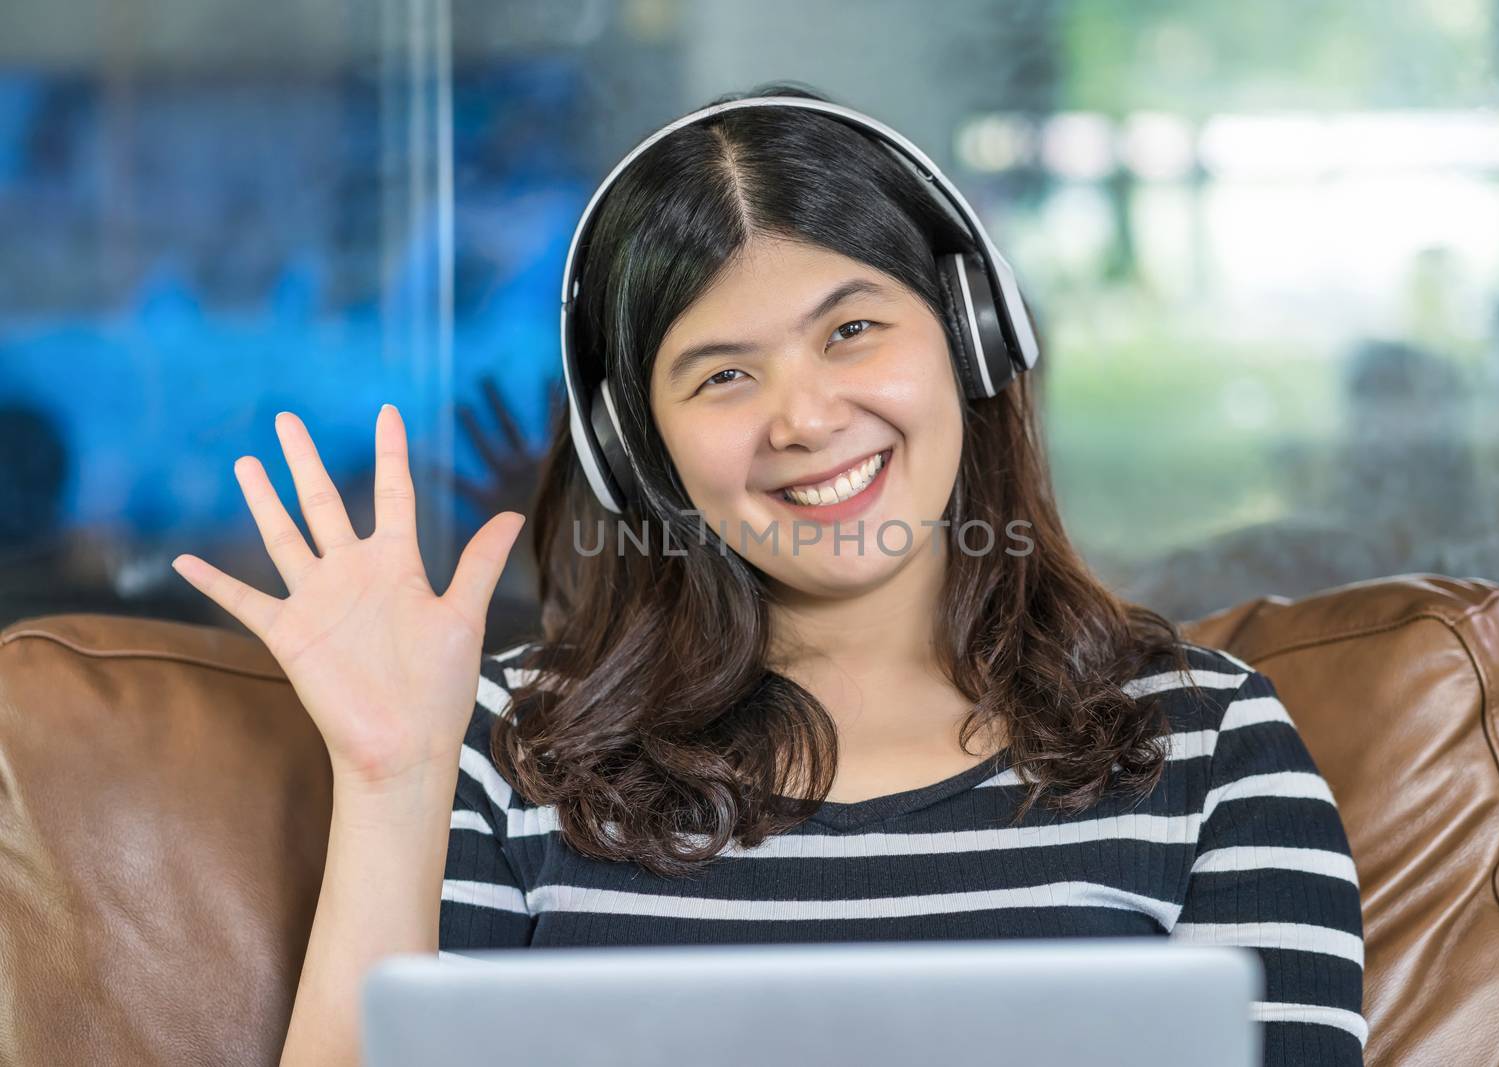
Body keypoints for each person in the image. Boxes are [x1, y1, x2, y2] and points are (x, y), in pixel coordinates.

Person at [172, 82, 1365, 1067]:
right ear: (643, 454)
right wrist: (394, 778)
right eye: (722, 375)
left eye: (852, 330)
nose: (803, 417)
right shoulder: (503, 747)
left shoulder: (1211, 745)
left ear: (972, 340)